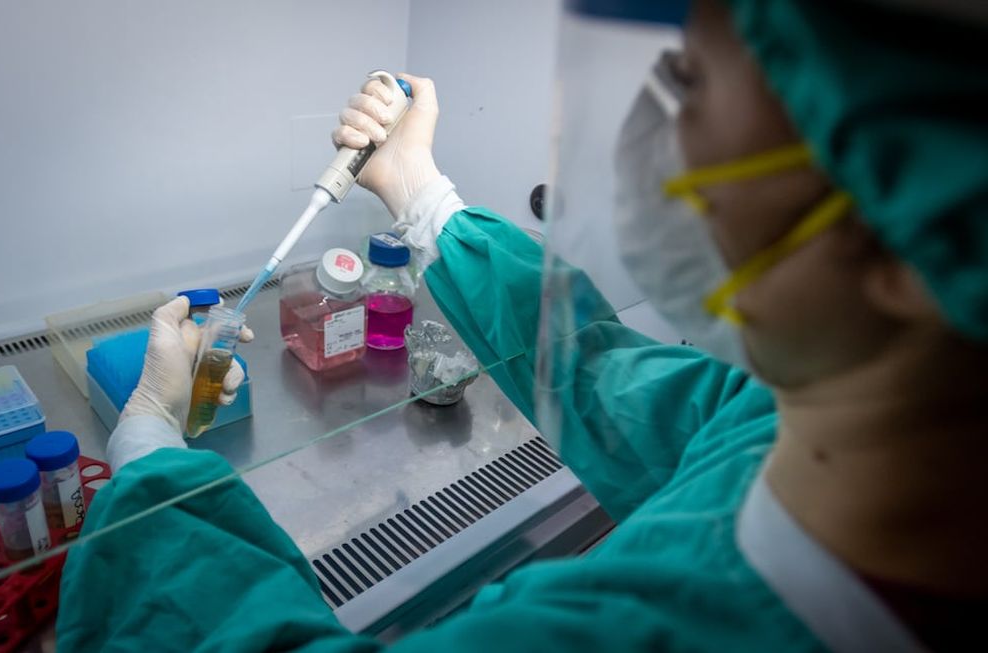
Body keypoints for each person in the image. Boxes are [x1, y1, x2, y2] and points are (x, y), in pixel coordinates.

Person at [57, 0, 987, 650]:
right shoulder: (779, 428)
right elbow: (597, 367)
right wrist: (418, 190)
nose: (659, 125)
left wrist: (148, 448)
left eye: (693, 77)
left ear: (916, 231)